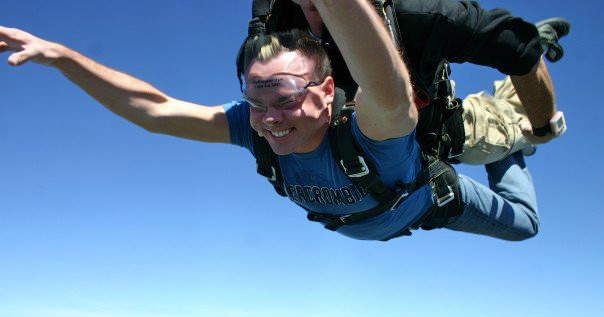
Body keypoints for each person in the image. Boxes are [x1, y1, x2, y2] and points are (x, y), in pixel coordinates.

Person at [0, 0, 539, 241]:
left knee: (525, 226)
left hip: (432, 206)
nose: (271, 118)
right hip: (378, 220)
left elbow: (388, 88)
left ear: (328, 92)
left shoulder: (372, 135)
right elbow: (155, 110)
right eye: (255, 99)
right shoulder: (253, 127)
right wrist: (64, 58)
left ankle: (507, 141)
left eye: (284, 97)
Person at [239, 0, 570, 164]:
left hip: (443, 131)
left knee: (519, 129)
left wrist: (543, 127)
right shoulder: (273, 16)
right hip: (357, 144)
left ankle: (541, 44)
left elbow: (517, 48)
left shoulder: (420, 14)